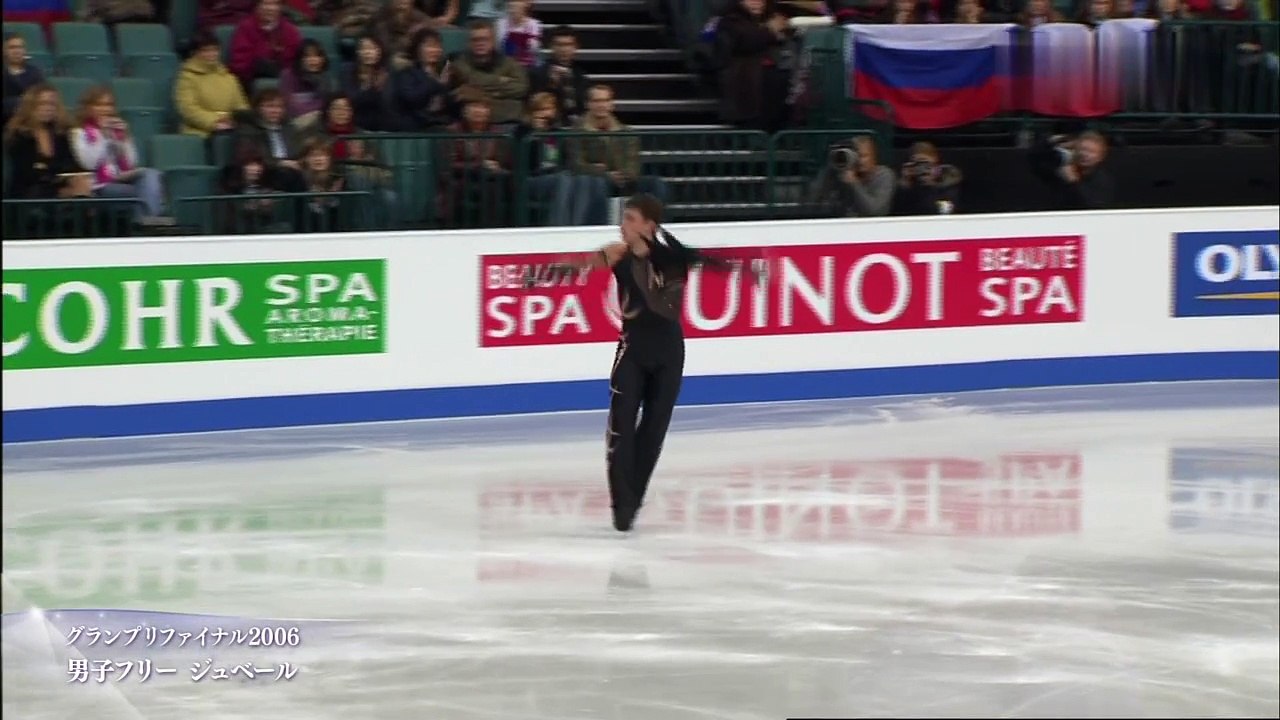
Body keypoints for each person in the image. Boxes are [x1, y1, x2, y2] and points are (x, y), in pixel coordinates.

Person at [531, 194, 761, 532]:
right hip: (632, 350)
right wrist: (545, 272)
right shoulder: (616, 253)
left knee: (652, 432)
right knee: (621, 428)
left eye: (630, 219)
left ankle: (633, 499)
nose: (622, 225)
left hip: (668, 354)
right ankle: (621, 506)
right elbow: (581, 264)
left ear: (648, 226)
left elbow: (664, 307)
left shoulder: (671, 260)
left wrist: (643, 262)